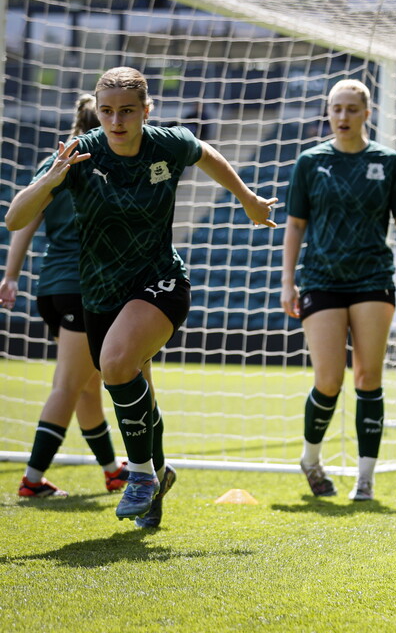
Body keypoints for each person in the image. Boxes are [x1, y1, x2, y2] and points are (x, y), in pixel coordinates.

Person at [5, 67, 276, 527]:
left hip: (161, 280)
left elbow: (205, 152)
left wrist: (247, 197)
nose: (115, 121)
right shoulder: (79, 155)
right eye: (107, 111)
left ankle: (139, 475)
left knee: (112, 366)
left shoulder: (167, 143)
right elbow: (14, 219)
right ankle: (157, 476)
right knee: (137, 389)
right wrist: (50, 179)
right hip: (99, 291)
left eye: (127, 111)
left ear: (146, 111)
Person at [281, 79, 396, 502]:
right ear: (329, 113)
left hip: (373, 279)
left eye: (350, 109)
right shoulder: (310, 162)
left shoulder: (388, 161)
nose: (342, 116)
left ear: (367, 113)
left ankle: (365, 478)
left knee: (367, 377)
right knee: (328, 380)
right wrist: (287, 280)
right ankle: (310, 459)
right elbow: (295, 225)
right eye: (336, 109)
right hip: (321, 279)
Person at [1, 94, 129, 497]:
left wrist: (10, 276)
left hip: (53, 289)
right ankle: (32, 480)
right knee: (68, 385)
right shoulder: (102, 164)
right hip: (83, 287)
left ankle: (111, 470)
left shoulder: (52, 165)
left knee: (88, 386)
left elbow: (23, 225)